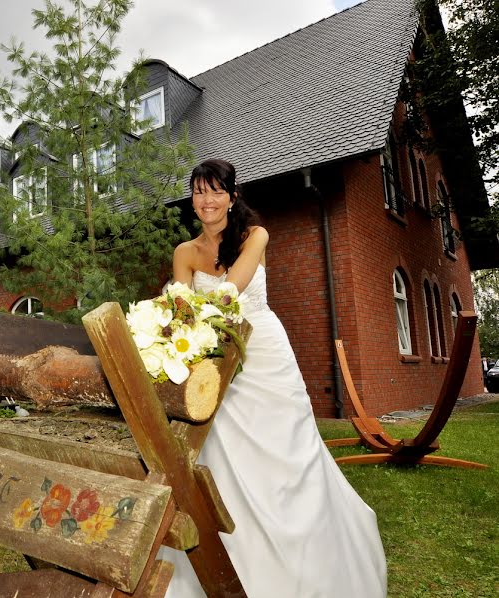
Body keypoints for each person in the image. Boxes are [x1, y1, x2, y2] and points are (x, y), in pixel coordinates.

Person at [157, 159, 387, 597]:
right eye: (199, 191)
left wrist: (186, 307)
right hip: (215, 359)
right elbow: (182, 315)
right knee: (221, 452)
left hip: (262, 352)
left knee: (287, 449)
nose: (207, 200)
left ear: (232, 196)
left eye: (215, 191)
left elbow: (233, 289)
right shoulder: (184, 253)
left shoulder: (255, 235)